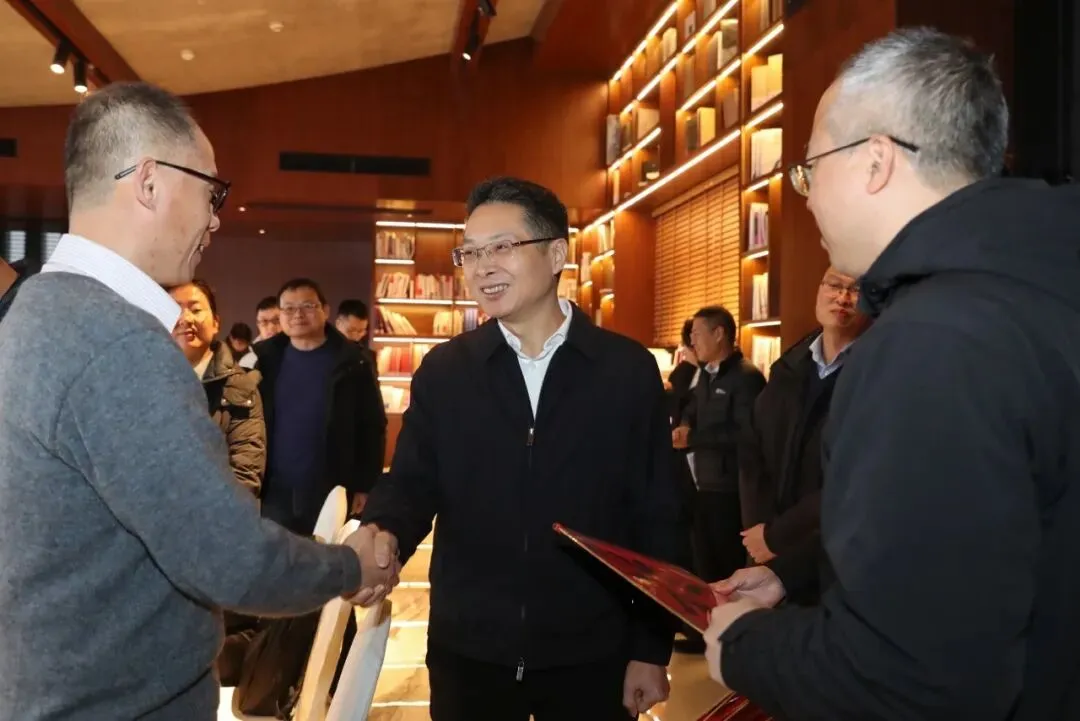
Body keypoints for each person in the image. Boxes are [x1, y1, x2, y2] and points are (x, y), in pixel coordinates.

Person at [704, 28, 1080, 720]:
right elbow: (986, 537)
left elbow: (910, 679)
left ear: (876, 161)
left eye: (810, 169)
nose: (806, 197)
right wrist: (792, 575)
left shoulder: (931, 341)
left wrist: (744, 645)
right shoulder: (1035, 284)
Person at [0, 81, 395, 720]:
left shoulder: (36, 310)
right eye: (211, 191)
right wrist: (349, 567)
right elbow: (230, 558)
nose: (215, 217)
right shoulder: (116, 339)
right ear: (149, 182)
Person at [361, 176, 684, 720]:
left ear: (556, 254)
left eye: (503, 247)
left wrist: (651, 648)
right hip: (470, 653)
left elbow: (659, 513)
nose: (482, 267)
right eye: (471, 252)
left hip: (592, 653)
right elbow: (413, 482)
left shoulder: (626, 371)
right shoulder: (447, 371)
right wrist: (384, 532)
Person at [737, 266, 868, 606]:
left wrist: (779, 536)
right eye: (834, 286)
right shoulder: (790, 365)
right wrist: (759, 530)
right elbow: (753, 451)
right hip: (770, 549)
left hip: (835, 558)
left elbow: (855, 478)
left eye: (855, 290)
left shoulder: (878, 371)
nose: (843, 298)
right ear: (819, 290)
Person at [254, 278, 386, 529]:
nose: (297, 314)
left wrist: (365, 485)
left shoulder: (353, 362)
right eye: (289, 308)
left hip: (333, 486)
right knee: (276, 551)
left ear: (325, 310)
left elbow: (372, 426)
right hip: (274, 488)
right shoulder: (266, 359)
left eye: (307, 306)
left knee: (326, 551)